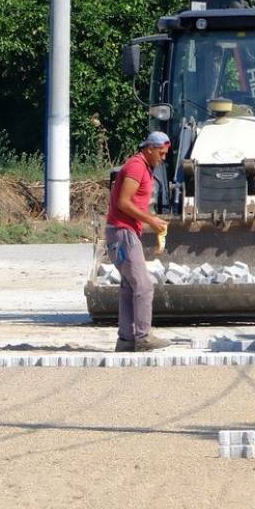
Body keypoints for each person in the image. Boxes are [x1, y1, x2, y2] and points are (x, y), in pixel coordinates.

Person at [105, 131, 173, 352]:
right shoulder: (136, 167)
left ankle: (126, 340)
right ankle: (143, 337)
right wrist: (151, 220)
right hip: (123, 233)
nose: (163, 158)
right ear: (150, 149)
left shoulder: (143, 167)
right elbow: (124, 203)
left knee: (129, 287)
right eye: (161, 153)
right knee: (144, 286)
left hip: (122, 232)